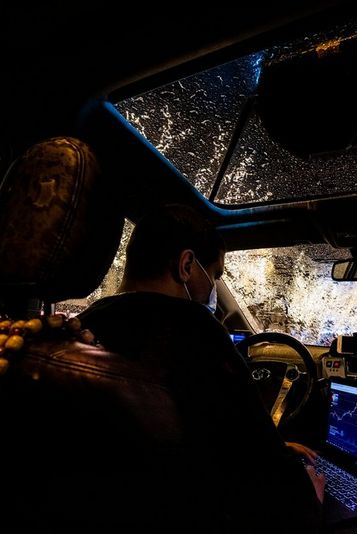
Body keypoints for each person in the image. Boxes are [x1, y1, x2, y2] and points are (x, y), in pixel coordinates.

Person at [77, 204, 325, 533]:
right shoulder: (196, 331)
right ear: (186, 265)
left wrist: (275, 448)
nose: (213, 289)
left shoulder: (87, 324)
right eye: (217, 275)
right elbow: (257, 457)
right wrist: (303, 488)